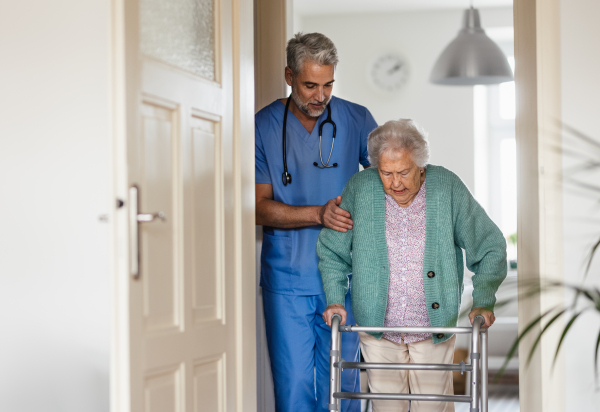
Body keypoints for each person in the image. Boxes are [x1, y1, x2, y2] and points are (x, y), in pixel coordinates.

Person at [317, 120, 507, 412]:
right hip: (377, 328)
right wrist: (334, 298)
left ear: (421, 166)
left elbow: (489, 245)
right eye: (386, 173)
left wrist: (483, 300)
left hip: (432, 327)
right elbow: (332, 250)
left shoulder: (446, 188)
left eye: (404, 172)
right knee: (386, 407)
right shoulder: (361, 188)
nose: (395, 183)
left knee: (432, 407)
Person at [255, 32, 378, 412]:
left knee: (343, 386)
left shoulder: (356, 119)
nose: (319, 97)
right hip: (287, 279)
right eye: (310, 85)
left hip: (345, 277)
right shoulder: (262, 126)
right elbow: (258, 207)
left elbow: (387, 186)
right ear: (289, 76)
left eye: (327, 85)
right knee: (293, 388)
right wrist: (317, 214)